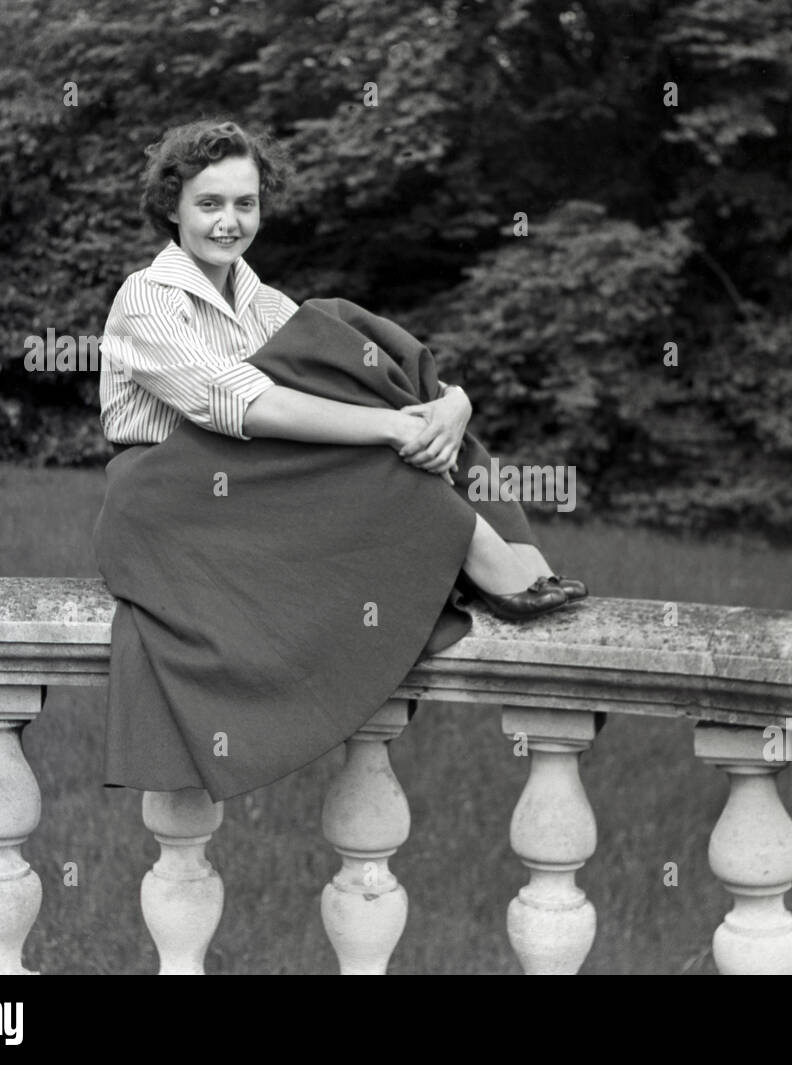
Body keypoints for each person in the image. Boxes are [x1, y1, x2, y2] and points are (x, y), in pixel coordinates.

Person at [91, 118, 586, 800]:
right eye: (209, 204)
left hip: (253, 479)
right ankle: (485, 562)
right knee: (376, 441)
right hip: (169, 496)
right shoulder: (145, 298)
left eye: (245, 202)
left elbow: (357, 382)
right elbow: (239, 405)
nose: (230, 221)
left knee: (345, 333)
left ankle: (487, 552)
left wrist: (451, 406)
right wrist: (388, 428)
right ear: (172, 207)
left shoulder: (266, 303)